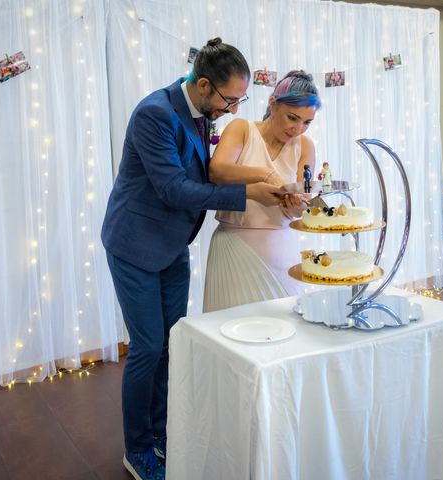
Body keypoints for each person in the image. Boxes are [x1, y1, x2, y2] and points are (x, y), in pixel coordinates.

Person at [101, 38, 282, 480]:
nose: (234, 110)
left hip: (173, 245)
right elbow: (175, 189)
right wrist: (247, 192)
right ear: (203, 85)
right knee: (147, 348)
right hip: (135, 245)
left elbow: (205, 170)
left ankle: (162, 433)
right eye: (229, 100)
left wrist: (257, 176)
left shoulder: (203, 112)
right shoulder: (155, 114)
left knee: (171, 344)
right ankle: (138, 448)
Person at [204, 70, 321, 313]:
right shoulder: (242, 129)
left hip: (283, 250)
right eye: (292, 117)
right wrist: (265, 174)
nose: (298, 129)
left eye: (307, 122)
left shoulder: (306, 146)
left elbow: (304, 199)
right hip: (235, 249)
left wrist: (298, 207)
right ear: (272, 103)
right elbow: (217, 171)